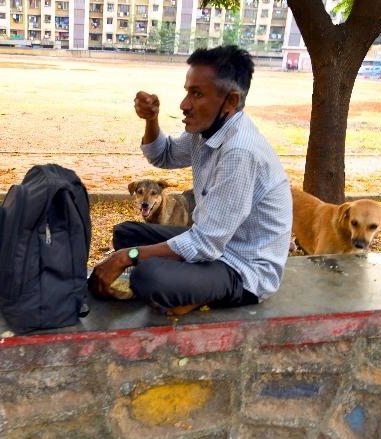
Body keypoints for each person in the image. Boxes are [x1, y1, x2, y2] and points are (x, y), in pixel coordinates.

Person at [89, 45, 292, 313]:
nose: (184, 105)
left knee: (146, 275)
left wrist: (127, 258)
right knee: (126, 233)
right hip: (215, 243)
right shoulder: (206, 130)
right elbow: (164, 155)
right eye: (187, 92)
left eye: (196, 94)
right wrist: (152, 119)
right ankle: (187, 291)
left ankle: (193, 295)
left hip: (243, 266)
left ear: (230, 101)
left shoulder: (240, 152)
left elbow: (205, 243)